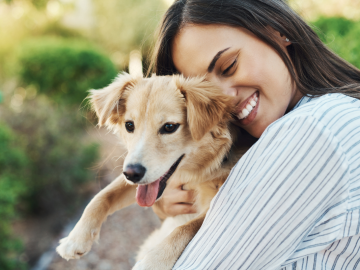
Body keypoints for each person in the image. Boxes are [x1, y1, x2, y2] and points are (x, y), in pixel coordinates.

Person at [148, 0, 360, 269]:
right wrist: (185, 210)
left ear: (278, 30)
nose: (223, 102)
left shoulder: (315, 129)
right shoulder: (335, 114)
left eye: (229, 66)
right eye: (204, 97)